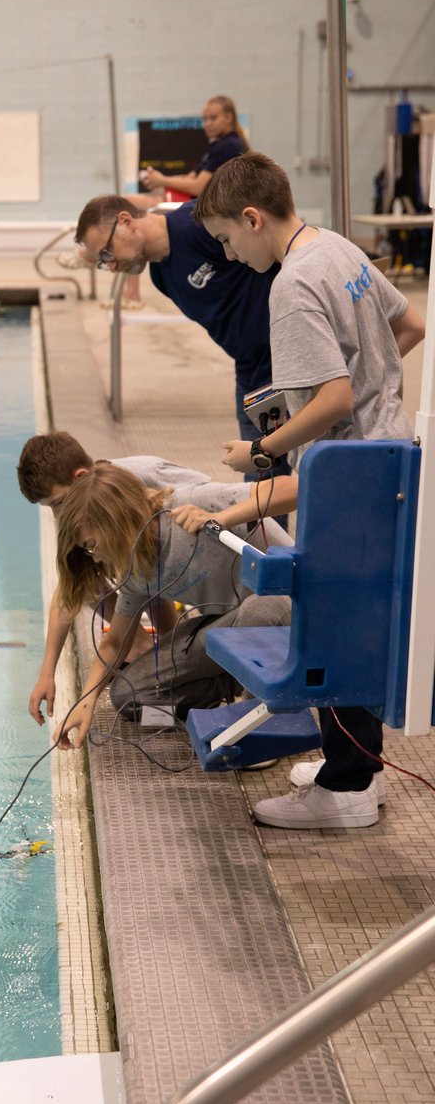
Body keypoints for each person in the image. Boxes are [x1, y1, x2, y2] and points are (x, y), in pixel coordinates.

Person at [193, 150, 426, 829]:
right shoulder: (339, 250)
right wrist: (373, 379)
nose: (231, 255)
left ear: (253, 217)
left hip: (349, 478)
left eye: (229, 240)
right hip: (393, 459)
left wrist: (262, 446)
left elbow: (330, 398)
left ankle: (347, 790)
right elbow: (408, 328)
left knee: (333, 624)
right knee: (358, 621)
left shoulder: (291, 285)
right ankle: (355, 769)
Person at [50, 463, 292, 751]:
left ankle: (259, 724)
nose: (96, 557)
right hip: (228, 628)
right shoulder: (135, 570)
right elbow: (115, 642)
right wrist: (85, 703)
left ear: (114, 525)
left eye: (91, 545)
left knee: (260, 608)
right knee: (128, 697)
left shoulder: (191, 506)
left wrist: (220, 518)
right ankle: (211, 709)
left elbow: (292, 488)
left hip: (289, 614)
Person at [74, 194, 290, 471]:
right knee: (263, 487)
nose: (111, 266)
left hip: (289, 359)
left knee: (322, 466)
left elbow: (278, 241)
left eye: (107, 253)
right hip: (253, 373)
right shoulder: (160, 275)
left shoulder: (199, 223)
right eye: (103, 262)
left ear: (126, 221)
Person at [17, 431, 213, 725]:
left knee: (147, 564)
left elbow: (220, 508)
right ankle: (170, 680)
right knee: (128, 702)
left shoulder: (148, 482)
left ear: (81, 476)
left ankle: (194, 674)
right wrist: (48, 674)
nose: (58, 515)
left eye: (57, 503)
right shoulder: (85, 514)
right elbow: (69, 591)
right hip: (157, 575)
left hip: (218, 592)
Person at [141, 95, 248, 200]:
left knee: (156, 199)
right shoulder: (218, 145)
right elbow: (190, 178)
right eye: (205, 119)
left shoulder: (228, 145)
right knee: (158, 195)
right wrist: (159, 179)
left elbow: (198, 187)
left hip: (225, 207)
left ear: (229, 117)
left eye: (213, 118)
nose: (207, 124)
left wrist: (162, 180)